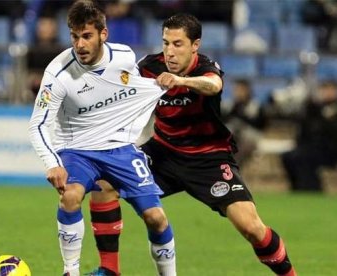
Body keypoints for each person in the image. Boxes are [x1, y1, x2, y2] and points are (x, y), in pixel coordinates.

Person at [87, 13, 297, 276]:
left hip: (208, 158)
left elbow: (214, 85)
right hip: (162, 153)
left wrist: (181, 81)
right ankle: (109, 270)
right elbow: (120, 88)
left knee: (252, 228)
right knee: (104, 184)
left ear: (195, 45)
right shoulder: (149, 67)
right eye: (165, 43)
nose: (170, 52)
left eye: (177, 44)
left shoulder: (205, 68)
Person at [28, 1, 176, 276]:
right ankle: (70, 271)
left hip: (120, 149)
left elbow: (136, 87)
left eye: (87, 36)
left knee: (156, 218)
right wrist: (52, 163)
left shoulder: (124, 57)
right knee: (70, 197)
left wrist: (162, 83)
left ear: (103, 34)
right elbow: (37, 124)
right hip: (77, 150)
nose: (80, 44)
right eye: (74, 36)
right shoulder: (58, 73)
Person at [281, 80, 337, 191]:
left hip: (329, 150)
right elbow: (305, 129)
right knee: (288, 156)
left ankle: (311, 188)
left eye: (331, 89)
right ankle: (296, 187)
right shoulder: (314, 108)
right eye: (325, 89)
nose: (327, 93)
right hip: (311, 147)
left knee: (303, 158)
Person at [222, 78, 267, 165]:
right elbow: (223, 121)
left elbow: (261, 125)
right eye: (236, 90)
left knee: (243, 144)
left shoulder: (256, 106)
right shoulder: (230, 105)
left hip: (250, 137)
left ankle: (233, 166)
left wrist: (242, 117)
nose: (238, 93)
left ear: (248, 91)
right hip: (234, 136)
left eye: (241, 90)